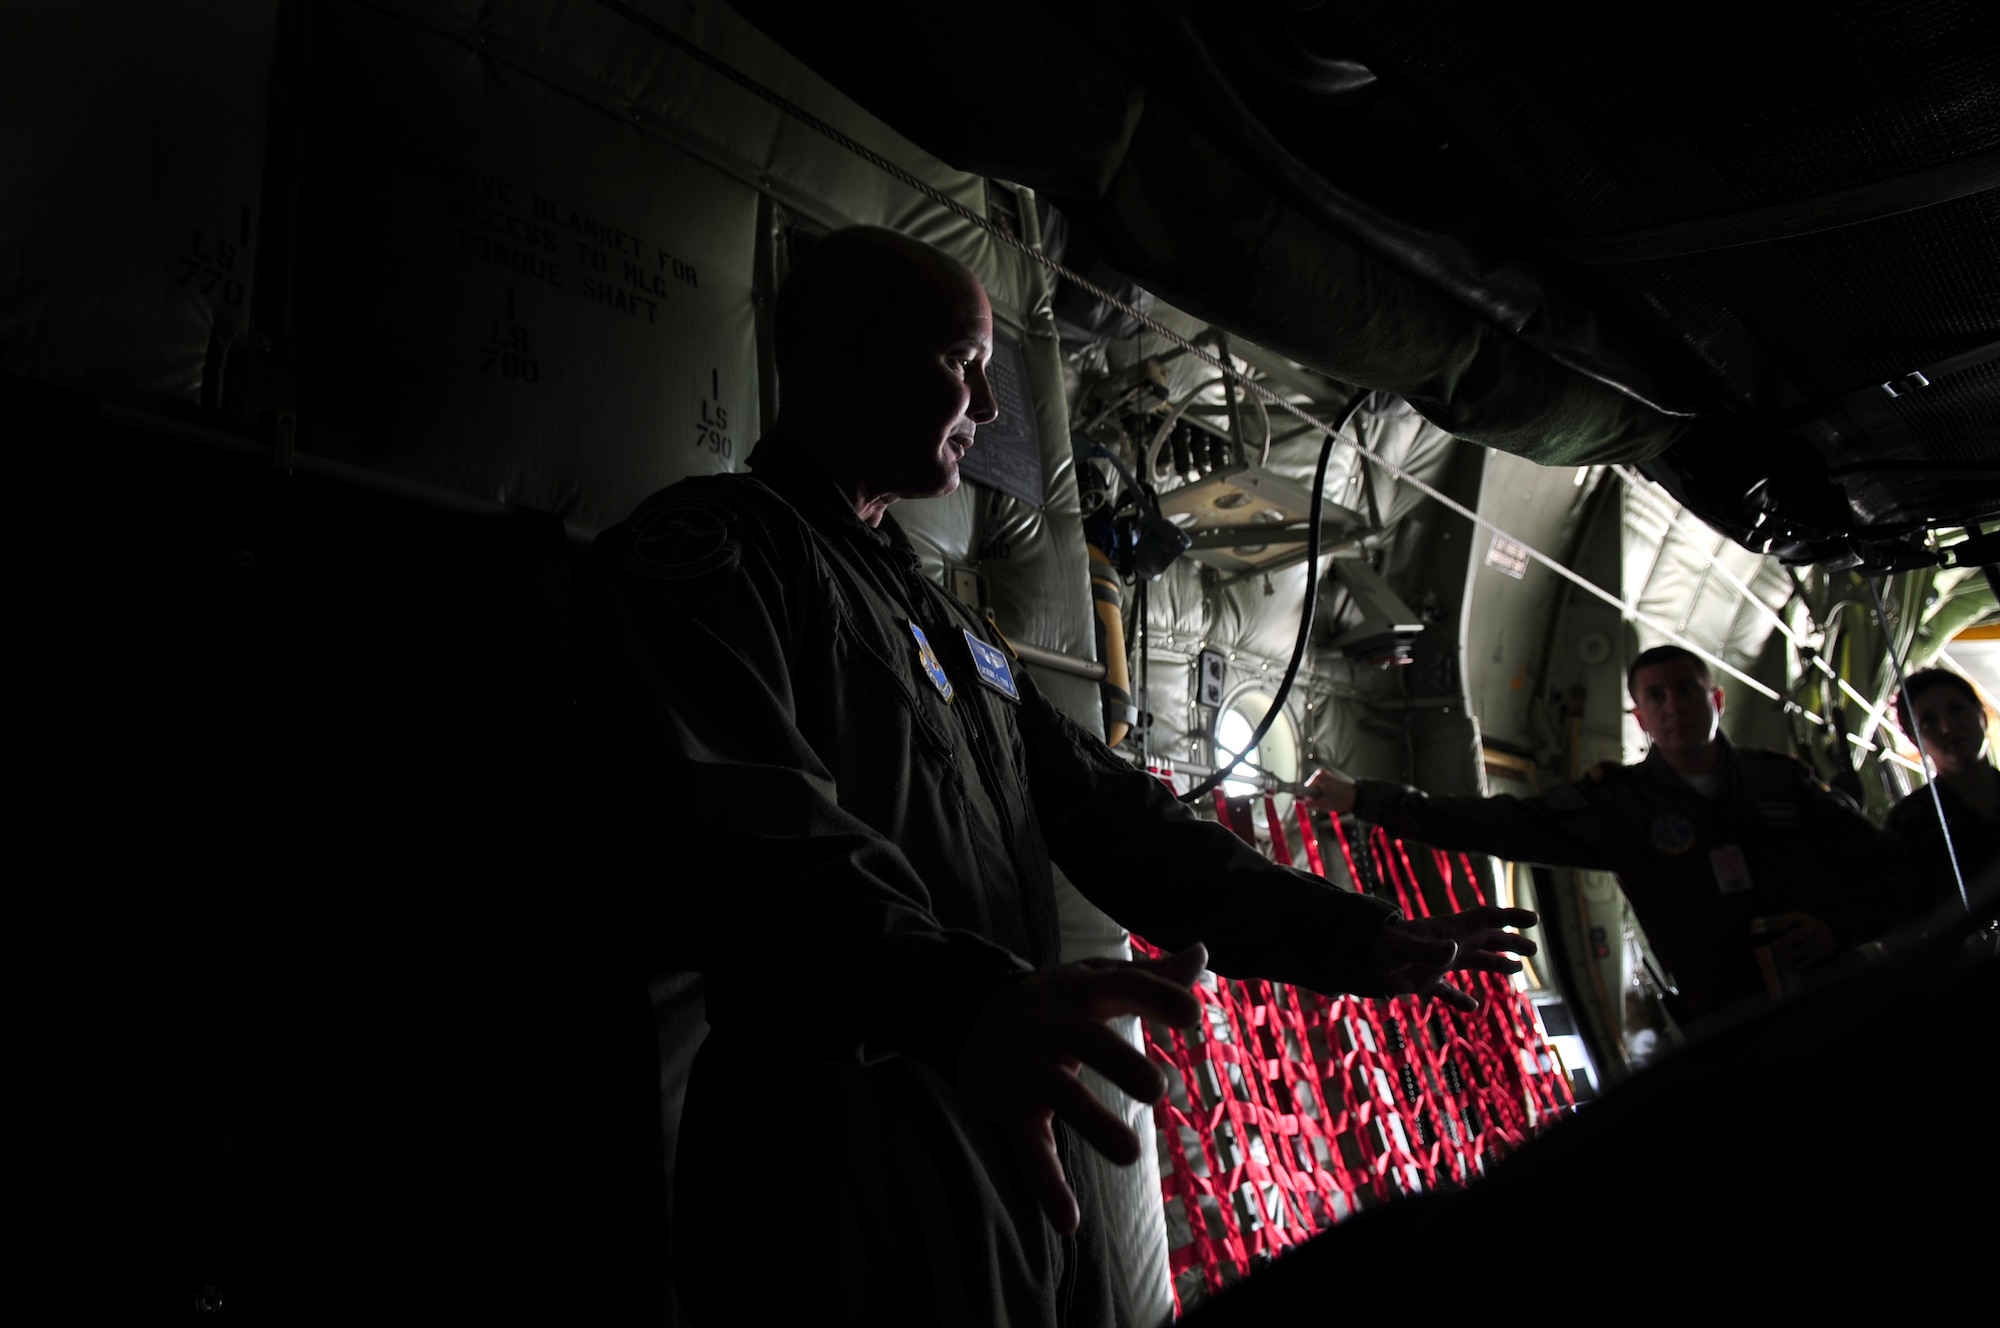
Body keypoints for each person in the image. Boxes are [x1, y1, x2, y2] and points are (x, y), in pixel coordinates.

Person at [579, 226, 1535, 1327]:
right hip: (827, 1132)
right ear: (846, 353)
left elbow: (1121, 821)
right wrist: (954, 997)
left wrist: (1357, 935)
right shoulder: (717, 552)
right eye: (958, 362)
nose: (985, 408)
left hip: (991, 1110)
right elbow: (742, 825)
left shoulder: (943, 619)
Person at [1301, 645, 1903, 1026]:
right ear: (1639, 717)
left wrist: (1835, 929)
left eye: (1687, 690)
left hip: (1844, 997)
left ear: (1715, 698)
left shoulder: (1784, 783)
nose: (1673, 706)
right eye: (1655, 696)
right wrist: (1365, 799)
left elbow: (1890, 876)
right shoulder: (1620, 805)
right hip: (1727, 1025)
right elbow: (1495, 824)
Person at [1886, 667, 2000, 917]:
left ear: (1982, 715)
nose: (1948, 727)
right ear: (1915, 741)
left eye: (1956, 709)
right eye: (1929, 721)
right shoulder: (1909, 823)